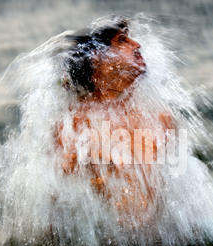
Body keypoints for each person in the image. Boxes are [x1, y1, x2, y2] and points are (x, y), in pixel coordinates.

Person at [53, 15, 176, 226]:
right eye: (122, 41)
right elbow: (59, 204)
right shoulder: (74, 125)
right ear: (96, 60)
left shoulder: (159, 118)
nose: (137, 45)